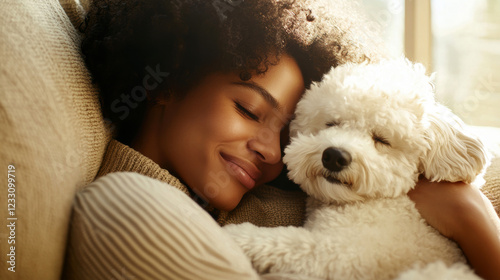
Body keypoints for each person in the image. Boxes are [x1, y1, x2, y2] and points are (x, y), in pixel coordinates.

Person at [63, 0, 500, 279]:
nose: (273, 151)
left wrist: (470, 204)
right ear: (164, 83)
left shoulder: (295, 182)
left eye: (290, 130)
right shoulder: (131, 212)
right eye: (249, 111)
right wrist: (469, 216)